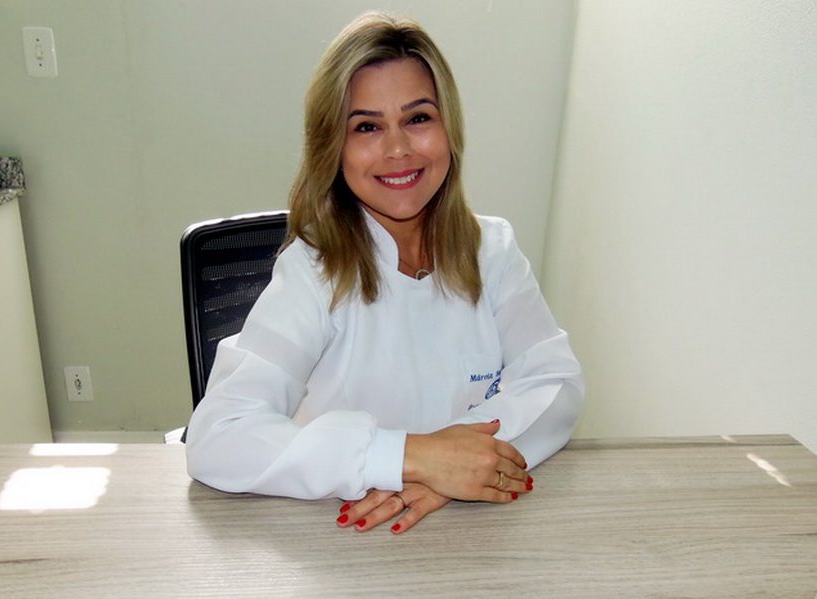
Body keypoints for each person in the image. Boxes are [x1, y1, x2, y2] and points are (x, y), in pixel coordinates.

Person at [185, 11, 583, 534]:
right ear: (334, 148)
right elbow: (218, 436)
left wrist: (454, 467)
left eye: (418, 118)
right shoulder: (311, 270)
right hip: (342, 536)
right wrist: (409, 457)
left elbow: (556, 383)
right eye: (367, 126)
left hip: (470, 531)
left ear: (449, 128)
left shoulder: (493, 250)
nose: (398, 149)